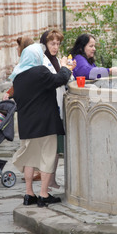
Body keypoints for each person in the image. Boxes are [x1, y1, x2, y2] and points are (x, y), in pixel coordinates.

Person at [9, 43, 74, 207]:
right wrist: (65, 67)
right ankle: (44, 195)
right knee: (47, 158)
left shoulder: (17, 77)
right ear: (36, 57)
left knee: (29, 159)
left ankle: (29, 194)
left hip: (26, 125)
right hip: (45, 124)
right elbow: (60, 79)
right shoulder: (40, 71)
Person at [39, 29, 76, 189]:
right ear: (45, 44)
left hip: (57, 107)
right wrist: (64, 69)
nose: (55, 47)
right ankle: (44, 186)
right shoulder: (43, 61)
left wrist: (69, 70)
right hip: (47, 108)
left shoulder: (54, 60)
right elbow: (55, 80)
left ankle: (51, 180)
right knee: (48, 150)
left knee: (54, 150)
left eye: (58, 44)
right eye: (52, 43)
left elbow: (66, 80)